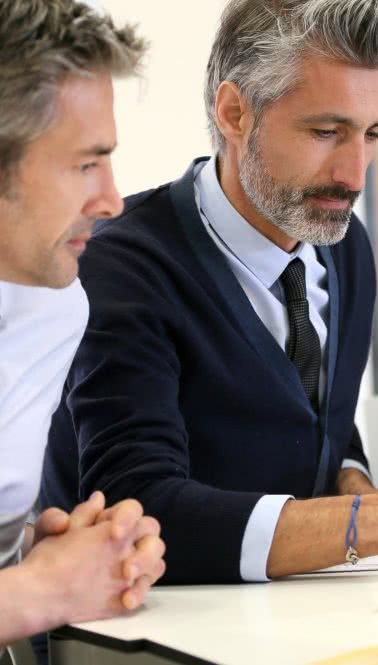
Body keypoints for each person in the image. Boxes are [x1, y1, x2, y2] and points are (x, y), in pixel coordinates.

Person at [41, 0, 378, 585]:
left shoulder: (345, 246)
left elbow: (322, 430)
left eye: (372, 134)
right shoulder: (123, 265)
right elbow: (140, 509)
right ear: (234, 112)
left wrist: (365, 493)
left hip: (299, 610)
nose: (354, 173)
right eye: (326, 131)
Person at [0, 0, 165, 649]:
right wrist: (43, 590)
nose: (113, 200)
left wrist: (70, 554)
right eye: (85, 163)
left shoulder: (55, 304)